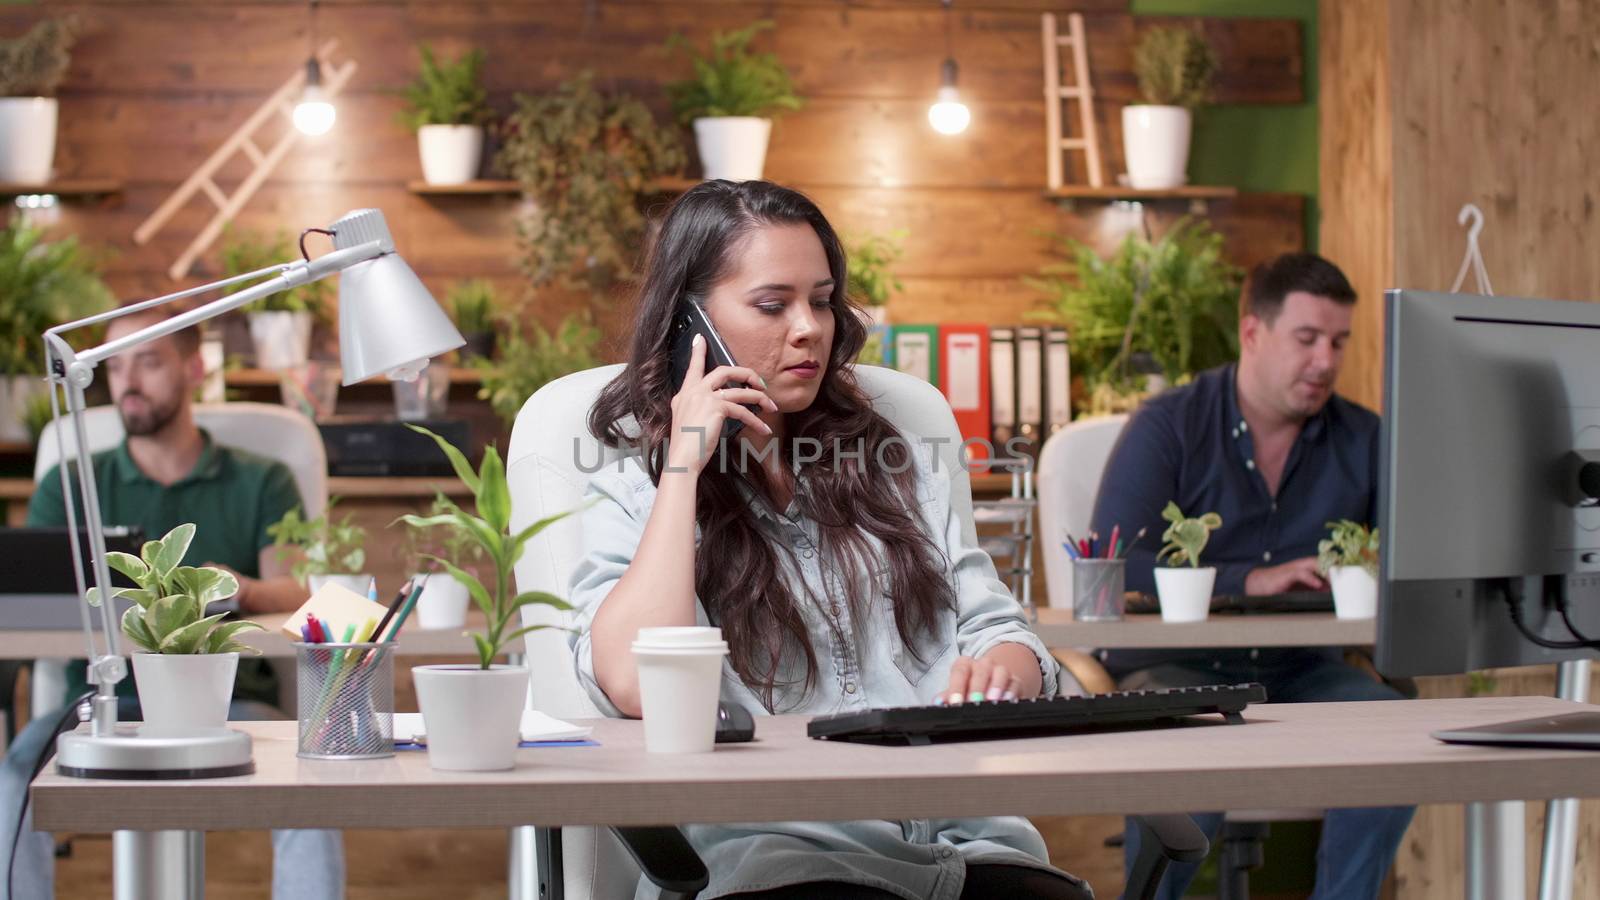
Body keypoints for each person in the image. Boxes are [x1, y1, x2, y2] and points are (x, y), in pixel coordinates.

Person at [569, 180, 1088, 900]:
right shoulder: (636, 495)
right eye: (773, 304)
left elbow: (1002, 632)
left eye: (821, 299)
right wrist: (686, 463)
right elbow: (633, 682)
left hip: (968, 847)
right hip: (782, 860)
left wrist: (1005, 669)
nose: (810, 327)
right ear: (692, 325)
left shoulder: (898, 466)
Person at [1088, 253, 1413, 900]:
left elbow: (1401, 563)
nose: (1326, 360)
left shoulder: (1364, 438)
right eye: (1307, 338)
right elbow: (1108, 573)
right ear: (1253, 334)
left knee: (1393, 736)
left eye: (1339, 342)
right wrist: (1249, 581)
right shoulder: (1170, 426)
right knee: (1194, 750)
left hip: (1302, 672)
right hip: (1177, 671)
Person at [4, 304, 343, 899]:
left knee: (307, 779)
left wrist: (238, 588)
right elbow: (36, 601)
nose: (127, 380)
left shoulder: (262, 479)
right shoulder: (71, 481)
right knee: (13, 777)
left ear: (192, 369)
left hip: (230, 705)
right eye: (113, 367)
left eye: (149, 362)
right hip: (98, 711)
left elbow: (298, 594)